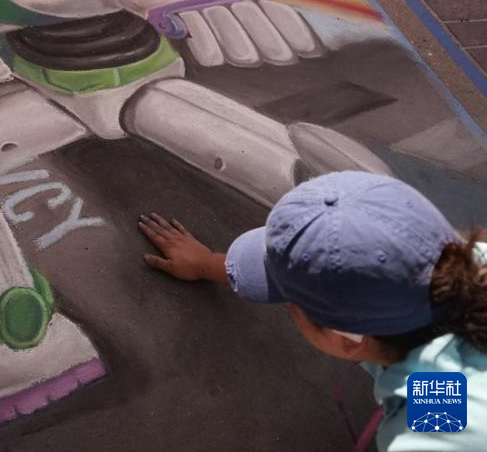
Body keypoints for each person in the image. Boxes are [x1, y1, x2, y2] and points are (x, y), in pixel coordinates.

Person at [138, 171, 487, 451]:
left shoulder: (439, 420)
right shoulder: (468, 264)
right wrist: (208, 264)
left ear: (347, 340)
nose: (288, 306)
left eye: (291, 304)